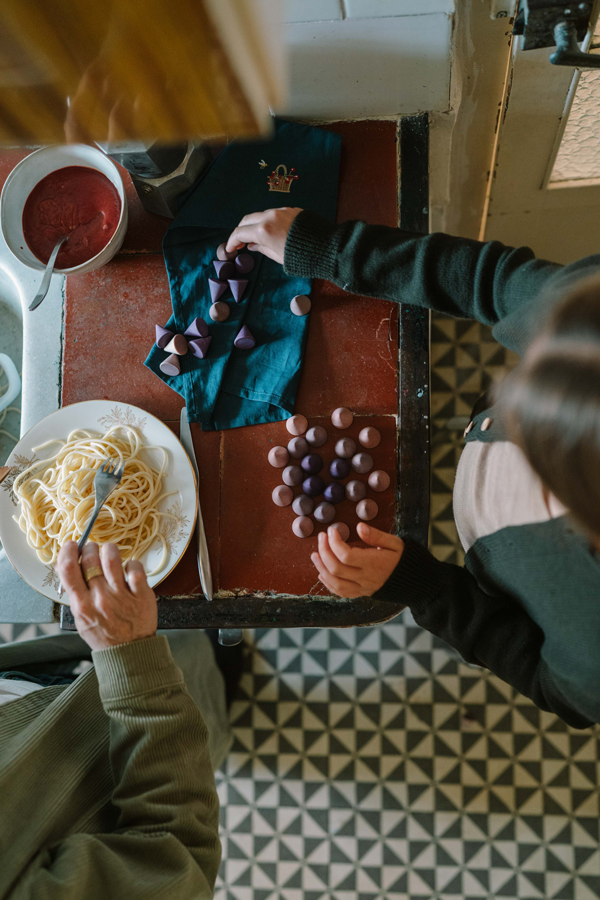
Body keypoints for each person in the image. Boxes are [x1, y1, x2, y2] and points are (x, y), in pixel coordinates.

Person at [226, 207, 600, 729]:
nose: (510, 405)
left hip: (490, 561)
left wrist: (426, 587)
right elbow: (487, 279)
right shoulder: (590, 318)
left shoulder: (592, 659)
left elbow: (543, 678)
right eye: (530, 379)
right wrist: (332, 249)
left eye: (536, 447)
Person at [0, 540, 232, 899]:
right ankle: (224, 678)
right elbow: (179, 865)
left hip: (31, 683)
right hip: (124, 741)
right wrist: (128, 655)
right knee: (203, 682)